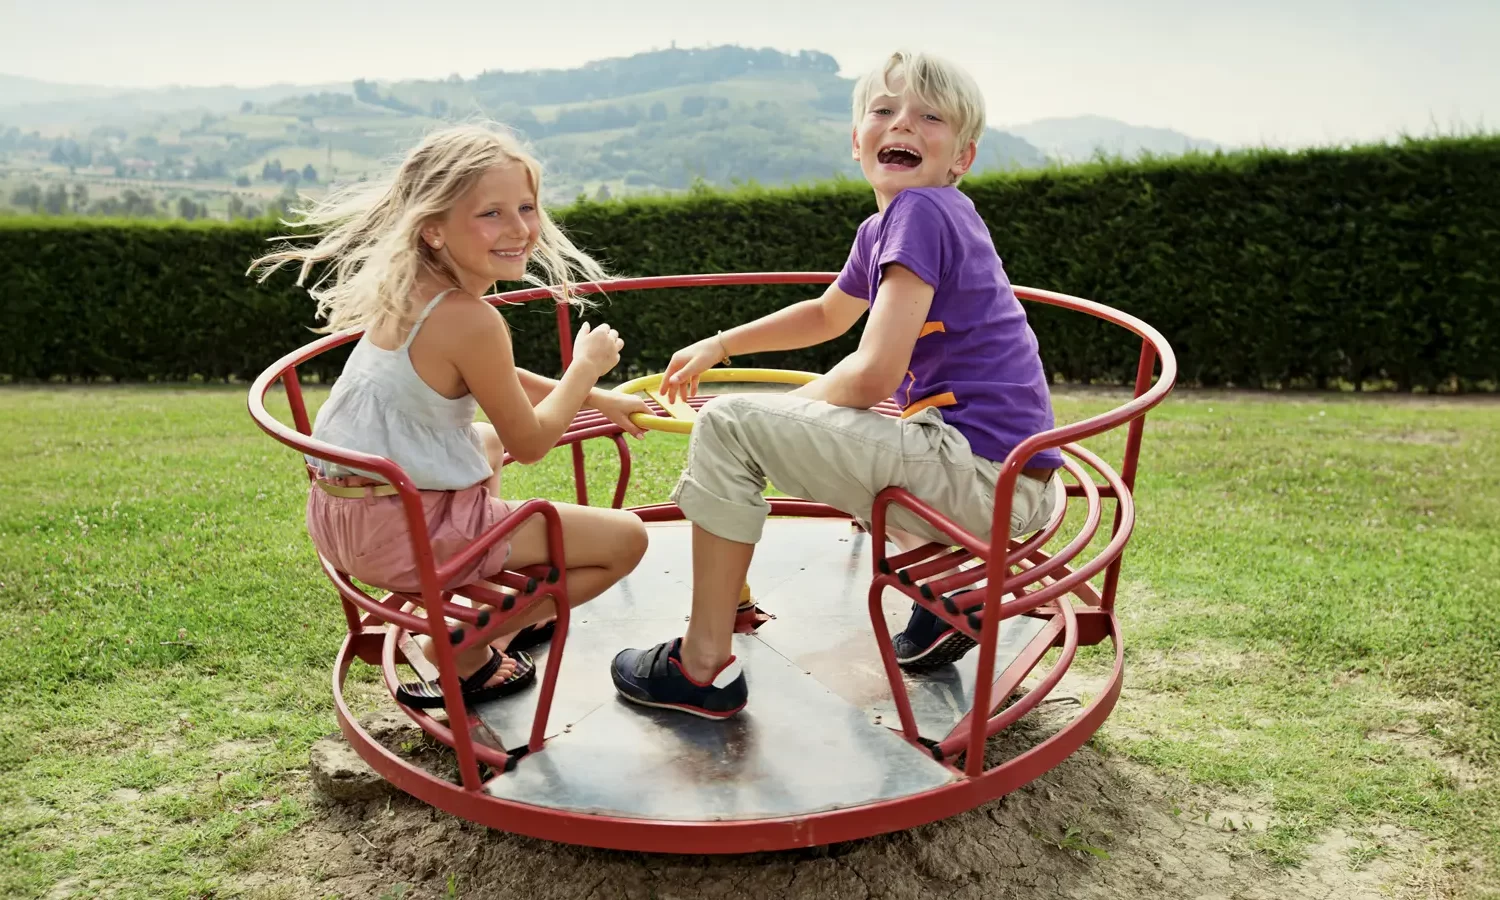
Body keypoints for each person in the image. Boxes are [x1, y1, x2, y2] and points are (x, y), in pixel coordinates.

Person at [609, 51, 1064, 719]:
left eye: (928, 116)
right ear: (857, 141)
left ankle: (699, 666)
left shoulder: (925, 213)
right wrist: (724, 345)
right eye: (884, 111)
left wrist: (769, 416)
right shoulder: (894, 224)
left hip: (980, 482)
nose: (901, 124)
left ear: (962, 155)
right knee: (762, 423)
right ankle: (949, 608)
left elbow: (875, 371)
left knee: (730, 425)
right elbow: (828, 314)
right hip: (1004, 477)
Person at [248, 122, 649, 709]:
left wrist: (595, 398)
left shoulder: (413, 287)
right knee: (627, 540)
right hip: (407, 535)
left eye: (527, 207)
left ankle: (477, 625)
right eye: (491, 214)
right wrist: (585, 369)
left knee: (483, 442)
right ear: (432, 229)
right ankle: (466, 642)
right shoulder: (470, 318)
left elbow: (491, 379)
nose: (519, 230)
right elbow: (533, 441)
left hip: (348, 517)